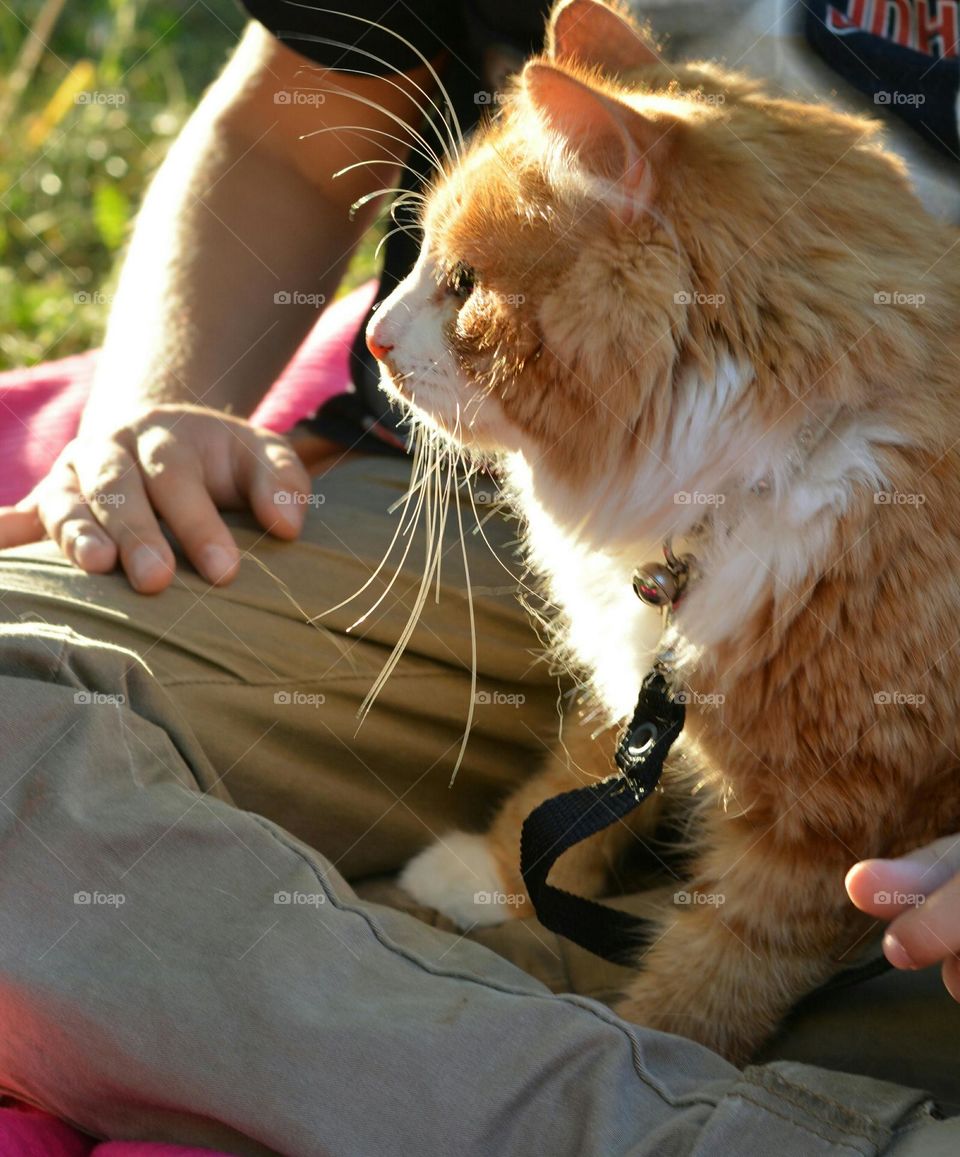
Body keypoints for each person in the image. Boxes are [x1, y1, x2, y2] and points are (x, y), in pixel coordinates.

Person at [0, 1, 958, 1153]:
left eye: (457, 285)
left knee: (855, 900)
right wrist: (157, 411)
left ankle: (449, 1019)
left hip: (870, 524)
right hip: (467, 500)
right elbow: (282, 133)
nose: (384, 330)